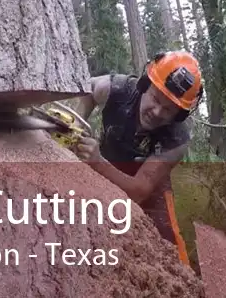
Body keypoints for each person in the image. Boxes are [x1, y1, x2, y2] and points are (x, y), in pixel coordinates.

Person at [71, 51, 204, 267]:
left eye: (168, 110)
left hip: (148, 184)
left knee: (168, 239)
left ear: (179, 115)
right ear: (144, 85)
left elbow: (140, 191)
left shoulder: (176, 139)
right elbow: (89, 89)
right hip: (107, 164)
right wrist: (77, 124)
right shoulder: (118, 88)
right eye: (155, 99)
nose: (157, 111)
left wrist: (96, 162)